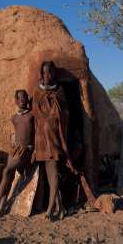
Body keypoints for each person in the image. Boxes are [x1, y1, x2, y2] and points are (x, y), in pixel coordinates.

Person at [32, 60, 77, 221]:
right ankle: (62, 208)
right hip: (41, 137)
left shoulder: (60, 91)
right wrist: (46, 122)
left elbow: (64, 111)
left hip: (54, 136)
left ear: (54, 74)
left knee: (53, 172)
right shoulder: (37, 92)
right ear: (41, 73)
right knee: (50, 175)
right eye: (44, 73)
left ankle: (51, 209)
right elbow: (35, 110)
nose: (47, 76)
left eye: (50, 72)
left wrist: (51, 121)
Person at [0, 89, 34, 217]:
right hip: (15, 149)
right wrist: (14, 143)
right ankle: (2, 207)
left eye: (24, 97)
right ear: (15, 101)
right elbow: (18, 133)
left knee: (7, 170)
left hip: (26, 149)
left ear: (27, 99)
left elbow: (35, 133)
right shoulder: (14, 118)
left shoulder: (32, 115)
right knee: (10, 176)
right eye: (18, 98)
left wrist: (34, 150)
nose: (21, 100)